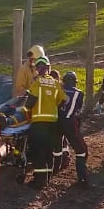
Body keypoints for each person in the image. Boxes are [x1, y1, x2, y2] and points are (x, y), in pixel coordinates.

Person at [24, 55, 63, 189]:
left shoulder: (38, 82)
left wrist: (24, 109)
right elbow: (61, 100)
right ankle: (47, 178)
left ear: (38, 69)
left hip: (39, 122)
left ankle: (39, 182)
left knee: (38, 151)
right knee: (48, 151)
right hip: (53, 122)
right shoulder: (55, 83)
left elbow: (31, 101)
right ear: (48, 68)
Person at [56, 70, 89, 188]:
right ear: (75, 82)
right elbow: (78, 109)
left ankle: (55, 169)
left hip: (56, 122)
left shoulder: (58, 89)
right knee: (81, 150)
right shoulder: (79, 93)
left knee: (57, 147)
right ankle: (83, 178)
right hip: (70, 123)